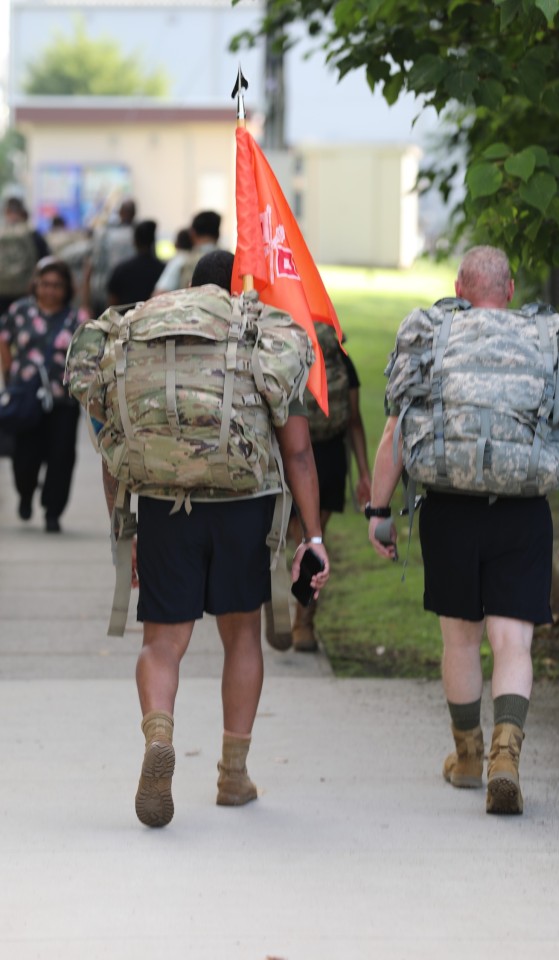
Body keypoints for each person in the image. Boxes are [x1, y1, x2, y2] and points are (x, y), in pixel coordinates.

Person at [101, 249, 329, 828]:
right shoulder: (258, 335)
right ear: (240, 285)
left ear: (189, 286)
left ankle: (160, 733)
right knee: (242, 636)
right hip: (240, 508)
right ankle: (233, 775)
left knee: (162, 643)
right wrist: (313, 535)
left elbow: (115, 440)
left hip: (163, 504)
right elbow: (298, 450)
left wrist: (124, 528)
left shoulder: (147, 332)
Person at [367, 245, 559, 816]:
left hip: (450, 505)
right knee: (513, 641)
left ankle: (468, 759)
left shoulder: (433, 335)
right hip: (521, 509)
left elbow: (396, 431)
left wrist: (378, 510)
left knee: (460, 639)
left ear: (459, 288)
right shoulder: (548, 340)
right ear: (511, 289)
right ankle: (506, 759)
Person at [286, 335, 371, 652]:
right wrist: (364, 472)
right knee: (313, 539)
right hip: (331, 457)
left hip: (290, 450)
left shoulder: (282, 351)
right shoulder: (340, 356)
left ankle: (291, 615)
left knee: (297, 537)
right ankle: (302, 626)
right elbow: (354, 418)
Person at [0, 257, 86, 532]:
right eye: (45, 284)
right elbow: (4, 337)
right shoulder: (20, 311)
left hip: (63, 400)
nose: (50, 290)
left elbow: (87, 353)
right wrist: (9, 370)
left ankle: (53, 511)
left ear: (66, 289)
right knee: (24, 456)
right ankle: (25, 494)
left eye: (57, 285)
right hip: (27, 396)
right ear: (36, 285)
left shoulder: (76, 319)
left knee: (61, 457)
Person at [0, 197, 51, 315]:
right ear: (23, 212)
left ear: (5, 212)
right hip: (26, 291)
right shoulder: (33, 234)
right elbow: (46, 262)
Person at [153, 210, 221, 295]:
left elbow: (159, 294)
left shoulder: (182, 260)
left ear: (193, 233)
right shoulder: (231, 261)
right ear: (218, 234)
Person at [89, 198, 137, 316]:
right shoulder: (137, 233)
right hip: (128, 288)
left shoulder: (105, 233)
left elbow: (97, 262)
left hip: (108, 286)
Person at [106, 220, 165, 305]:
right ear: (153, 241)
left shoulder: (121, 269)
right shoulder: (162, 269)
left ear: (135, 242)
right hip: (153, 317)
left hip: (126, 317)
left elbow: (112, 303)